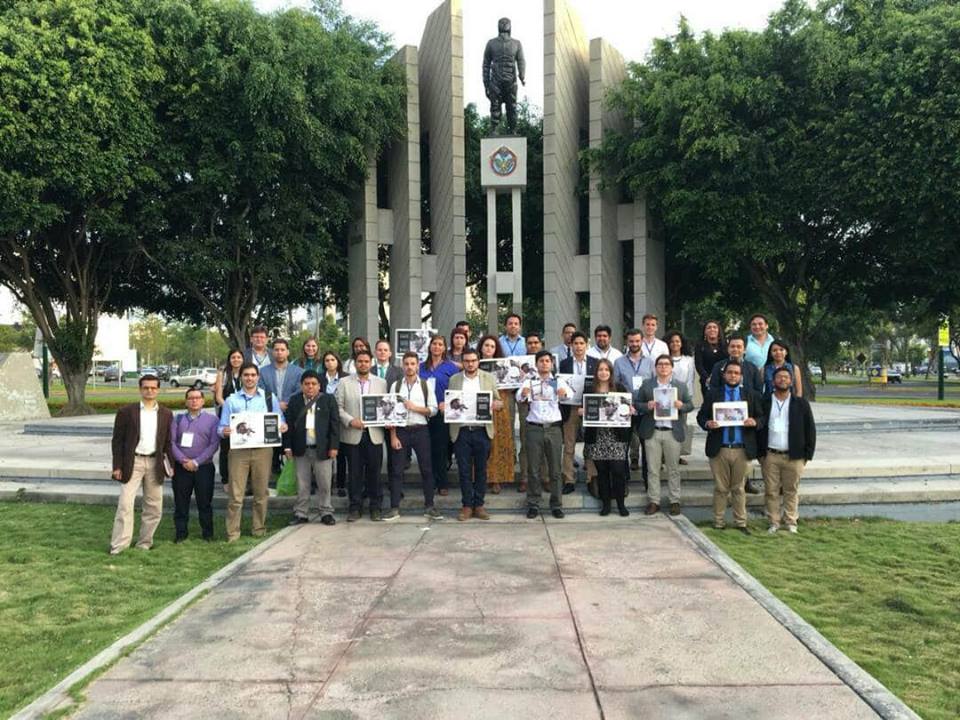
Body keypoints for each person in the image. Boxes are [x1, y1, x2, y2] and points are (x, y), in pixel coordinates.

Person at [218, 363, 287, 542]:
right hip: (238, 452)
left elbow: (280, 420)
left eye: (253, 375)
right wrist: (224, 431)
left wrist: (282, 426)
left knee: (261, 493)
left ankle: (259, 528)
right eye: (246, 375)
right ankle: (233, 532)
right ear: (241, 377)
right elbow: (221, 426)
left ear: (258, 377)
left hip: (262, 451)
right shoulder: (231, 401)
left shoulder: (269, 398)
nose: (249, 378)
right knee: (236, 494)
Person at [109, 374, 174, 554]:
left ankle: (144, 543)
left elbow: (168, 442)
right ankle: (119, 545)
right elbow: (117, 441)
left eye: (153, 388)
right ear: (140, 389)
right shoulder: (126, 412)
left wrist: (171, 465)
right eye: (146, 388)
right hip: (133, 461)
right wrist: (117, 466)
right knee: (125, 504)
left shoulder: (166, 414)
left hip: (155, 463)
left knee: (154, 506)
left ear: (158, 390)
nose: (149, 391)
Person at [697, 360, 764, 534]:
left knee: (738, 488)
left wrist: (754, 422)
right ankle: (718, 522)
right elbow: (701, 416)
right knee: (720, 488)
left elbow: (762, 417)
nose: (733, 375)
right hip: (720, 448)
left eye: (736, 373)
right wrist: (707, 423)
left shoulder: (751, 394)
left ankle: (741, 522)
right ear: (724, 375)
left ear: (741, 376)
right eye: (730, 372)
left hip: (742, 448)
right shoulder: (713, 394)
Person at [759, 366, 816, 534]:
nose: (782, 379)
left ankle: (791, 521)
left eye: (786, 377)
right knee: (771, 491)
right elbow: (759, 429)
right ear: (773, 381)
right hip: (771, 455)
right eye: (779, 377)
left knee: (791, 490)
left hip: (794, 455)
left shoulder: (801, 404)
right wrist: (760, 455)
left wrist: (807, 455)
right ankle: (774, 522)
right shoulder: (765, 402)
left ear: (791, 381)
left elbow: (810, 429)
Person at [636, 355, 694, 516]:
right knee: (653, 469)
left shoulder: (680, 387)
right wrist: (647, 405)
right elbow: (637, 404)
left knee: (673, 469)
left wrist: (682, 406)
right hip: (653, 431)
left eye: (666, 364)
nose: (663, 367)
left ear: (671, 367)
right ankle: (654, 501)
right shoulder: (648, 385)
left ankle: (674, 500)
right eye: (660, 364)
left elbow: (691, 405)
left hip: (672, 432)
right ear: (656, 367)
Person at [387, 352, 442, 521]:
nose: (409, 367)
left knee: (426, 469)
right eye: (406, 363)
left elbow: (432, 410)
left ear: (418, 365)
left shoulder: (425, 385)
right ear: (402, 366)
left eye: (413, 363)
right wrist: (393, 436)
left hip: (420, 430)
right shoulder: (395, 386)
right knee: (396, 470)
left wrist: (414, 407)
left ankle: (429, 506)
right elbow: (390, 413)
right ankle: (394, 508)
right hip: (401, 431)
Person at [517, 350, 572, 519]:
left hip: (554, 428)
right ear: (536, 364)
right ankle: (533, 503)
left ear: (552, 364)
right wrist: (524, 393)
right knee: (533, 469)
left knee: (555, 469)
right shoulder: (529, 380)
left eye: (547, 361)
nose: (544, 363)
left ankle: (556, 504)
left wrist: (564, 394)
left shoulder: (558, 380)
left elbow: (569, 396)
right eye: (541, 361)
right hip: (534, 427)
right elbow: (519, 397)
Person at [447, 348, 500, 520]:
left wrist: (495, 405)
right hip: (461, 431)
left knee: (481, 470)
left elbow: (498, 400)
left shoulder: (488, 378)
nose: (470, 364)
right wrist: (445, 408)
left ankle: (479, 505)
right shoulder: (454, 379)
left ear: (478, 361)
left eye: (473, 361)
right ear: (462, 362)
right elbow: (450, 403)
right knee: (463, 470)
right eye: (467, 361)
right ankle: (466, 506)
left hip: (481, 430)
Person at [336, 350, 387, 521]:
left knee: (375, 473)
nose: (363, 364)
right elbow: (338, 408)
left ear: (371, 362)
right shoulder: (344, 382)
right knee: (355, 474)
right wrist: (351, 421)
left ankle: (376, 507)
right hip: (352, 433)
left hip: (374, 434)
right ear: (355, 363)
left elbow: (387, 406)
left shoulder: (381, 382)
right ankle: (355, 508)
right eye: (360, 361)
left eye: (366, 361)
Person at [283, 370, 339, 526]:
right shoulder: (295, 401)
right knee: (302, 484)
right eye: (306, 384)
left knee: (325, 483)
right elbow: (288, 426)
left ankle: (326, 512)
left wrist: (334, 446)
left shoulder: (328, 400)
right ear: (301, 385)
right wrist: (287, 447)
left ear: (319, 386)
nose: (310, 387)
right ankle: (301, 513)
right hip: (301, 449)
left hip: (323, 449)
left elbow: (334, 425)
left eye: (314, 384)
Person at [709, 335, 764, 493]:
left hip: (745, 416)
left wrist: (746, 402)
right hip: (723, 417)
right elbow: (713, 389)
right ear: (728, 348)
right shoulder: (719, 366)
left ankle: (746, 483)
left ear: (744, 349)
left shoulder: (751, 368)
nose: (736, 349)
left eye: (739, 346)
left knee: (744, 449)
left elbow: (758, 390)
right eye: (733, 346)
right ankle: (725, 484)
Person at [581, 359, 633, 516]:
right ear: (596, 372)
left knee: (618, 471)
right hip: (597, 437)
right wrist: (582, 412)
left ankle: (621, 504)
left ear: (611, 372)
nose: (603, 372)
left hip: (616, 437)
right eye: (600, 369)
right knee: (602, 472)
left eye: (606, 370)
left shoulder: (620, 388)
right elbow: (583, 409)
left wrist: (630, 410)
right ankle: (606, 505)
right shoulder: (589, 390)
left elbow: (626, 409)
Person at [170, 388, 220, 542]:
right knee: (181, 502)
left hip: (203, 467)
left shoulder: (212, 420)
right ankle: (181, 534)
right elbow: (171, 442)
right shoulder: (177, 419)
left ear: (203, 401)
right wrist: (183, 460)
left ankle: (207, 533)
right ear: (186, 401)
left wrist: (197, 461)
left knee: (204, 502)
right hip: (182, 468)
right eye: (191, 398)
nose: (194, 400)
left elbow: (214, 444)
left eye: (198, 398)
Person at [420, 335, 460, 496]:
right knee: (425, 450)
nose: (437, 347)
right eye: (434, 344)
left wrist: (448, 404)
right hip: (423, 412)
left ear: (444, 348)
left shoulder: (451, 367)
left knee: (441, 449)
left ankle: (442, 482)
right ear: (430, 347)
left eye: (440, 344)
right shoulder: (421, 367)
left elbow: (457, 391)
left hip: (442, 413)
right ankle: (429, 482)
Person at [559, 331, 598, 495]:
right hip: (570, 408)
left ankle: (591, 478)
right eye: (576, 343)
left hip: (590, 407)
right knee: (569, 446)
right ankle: (569, 479)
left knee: (590, 444)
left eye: (582, 343)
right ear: (571, 345)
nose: (579, 346)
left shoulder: (595, 363)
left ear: (587, 345)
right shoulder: (564, 363)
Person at [478, 334, 515, 494]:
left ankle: (497, 479)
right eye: (486, 345)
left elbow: (511, 387)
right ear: (481, 347)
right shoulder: (474, 363)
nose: (489, 349)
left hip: (500, 404)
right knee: (481, 443)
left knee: (498, 442)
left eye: (492, 346)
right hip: (479, 405)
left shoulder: (503, 365)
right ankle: (481, 476)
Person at [519, 332, 549, 492]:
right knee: (525, 443)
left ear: (541, 344)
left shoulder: (549, 361)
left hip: (546, 409)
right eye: (530, 343)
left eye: (536, 342)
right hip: (527, 406)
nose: (533, 345)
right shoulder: (521, 363)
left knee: (544, 445)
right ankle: (524, 477)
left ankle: (545, 477)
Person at [664, 331, 697, 462]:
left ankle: (678, 455)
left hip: (682, 397)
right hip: (665, 396)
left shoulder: (689, 360)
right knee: (665, 426)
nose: (675, 344)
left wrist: (686, 398)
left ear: (682, 343)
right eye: (672, 341)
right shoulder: (664, 359)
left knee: (680, 426)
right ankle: (663, 455)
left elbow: (690, 379)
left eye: (677, 341)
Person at [320, 351, 349, 497]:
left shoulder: (346, 378)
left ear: (338, 361)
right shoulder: (320, 379)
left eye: (332, 359)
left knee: (341, 453)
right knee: (327, 453)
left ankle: (341, 484)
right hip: (325, 419)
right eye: (327, 360)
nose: (330, 362)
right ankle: (327, 484)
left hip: (342, 419)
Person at [214, 348, 244, 486]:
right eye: (233, 357)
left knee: (242, 444)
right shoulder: (224, 373)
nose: (236, 360)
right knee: (226, 445)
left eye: (238, 357)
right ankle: (226, 479)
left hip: (243, 414)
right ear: (229, 359)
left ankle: (242, 480)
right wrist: (228, 407)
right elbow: (218, 395)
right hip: (227, 412)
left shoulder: (246, 373)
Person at [259, 338, 303, 412]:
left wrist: (286, 403)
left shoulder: (299, 372)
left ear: (288, 352)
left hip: (291, 411)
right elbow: (261, 391)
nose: (279, 352)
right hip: (269, 410)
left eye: (282, 350)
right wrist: (275, 404)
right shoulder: (262, 372)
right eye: (276, 350)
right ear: (272, 352)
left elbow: (299, 391)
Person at [694, 320, 728, 399]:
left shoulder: (725, 345)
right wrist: (707, 378)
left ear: (719, 330)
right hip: (707, 381)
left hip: (724, 380)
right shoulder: (700, 346)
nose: (712, 329)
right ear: (705, 331)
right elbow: (698, 365)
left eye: (714, 327)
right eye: (709, 328)